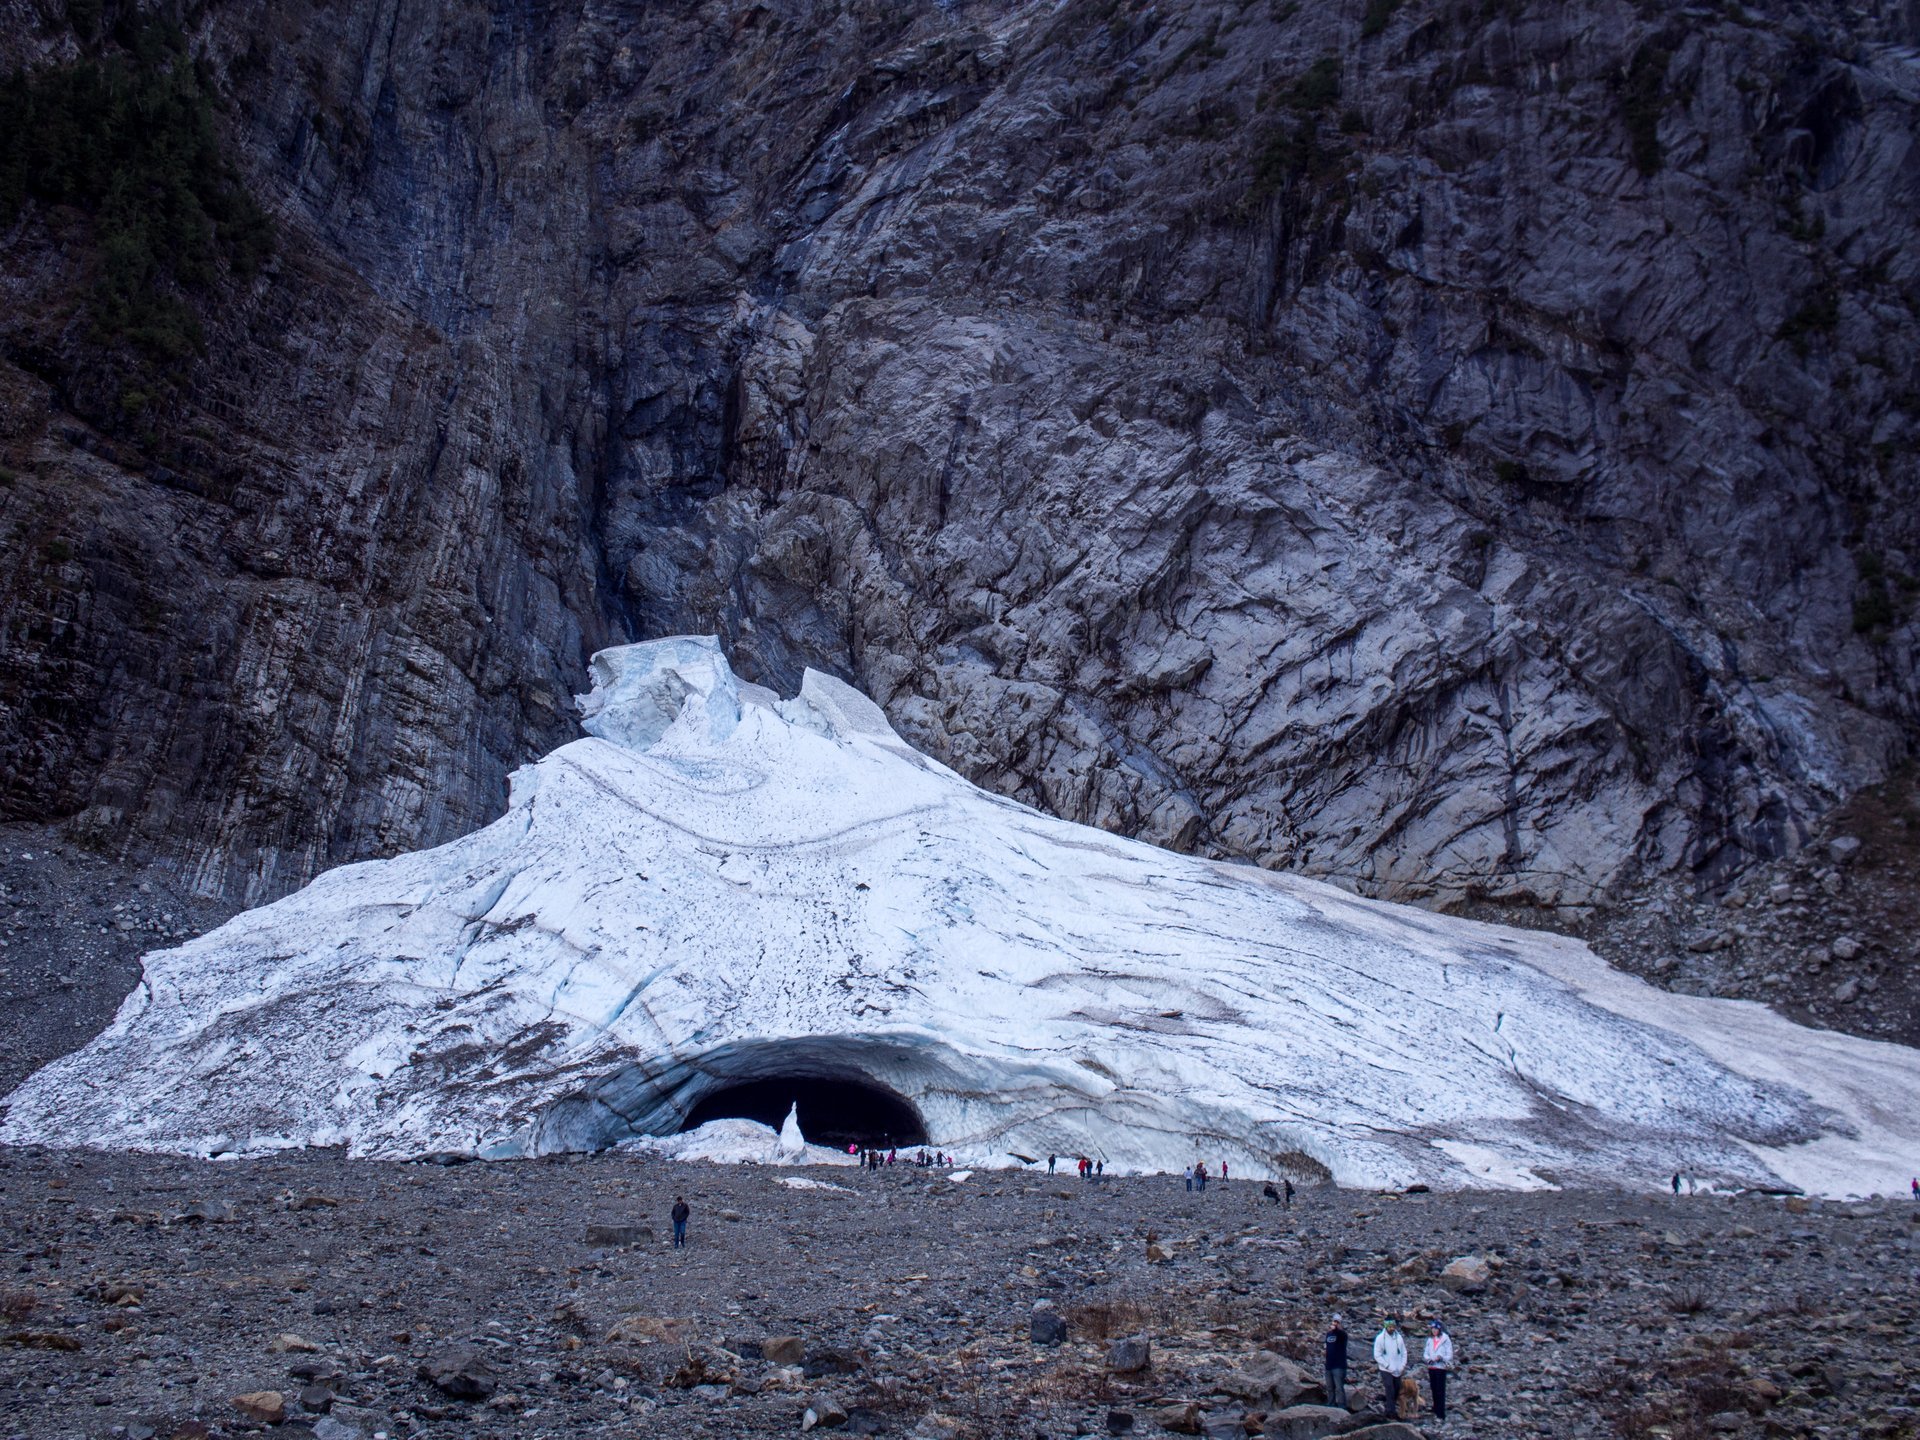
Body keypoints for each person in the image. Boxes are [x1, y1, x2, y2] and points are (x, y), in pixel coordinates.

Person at [1372, 1318, 1406, 1418]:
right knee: (1389, 1388)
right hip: (1385, 1369)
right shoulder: (1380, 1338)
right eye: (1390, 1327)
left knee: (1397, 1389)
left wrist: (1402, 1365)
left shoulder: (1399, 1338)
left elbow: (1404, 1352)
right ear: (1386, 1327)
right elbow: (1377, 1355)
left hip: (1397, 1369)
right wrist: (1386, 1365)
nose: (1392, 1328)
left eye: (1393, 1326)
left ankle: (1391, 1408)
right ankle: (1390, 1411)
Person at [1423, 1320, 1453, 1423]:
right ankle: (1435, 1407)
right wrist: (1428, 1359)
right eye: (1432, 1329)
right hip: (1432, 1367)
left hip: (1440, 1367)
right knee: (1433, 1388)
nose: (1434, 1331)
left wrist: (1441, 1358)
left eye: (1436, 1329)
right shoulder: (1430, 1339)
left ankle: (1441, 1412)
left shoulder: (1445, 1339)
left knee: (1440, 1390)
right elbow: (1426, 1352)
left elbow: (1449, 1354)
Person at [1324, 1313, 1349, 1408]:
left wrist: (1337, 1328)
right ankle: (1331, 1403)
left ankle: (1342, 1404)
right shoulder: (1328, 1334)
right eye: (1334, 1321)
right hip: (1329, 1364)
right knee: (1330, 1387)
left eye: (1337, 1322)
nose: (1335, 1323)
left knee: (1339, 1387)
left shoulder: (1342, 1335)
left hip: (1339, 1365)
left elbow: (1341, 1333)